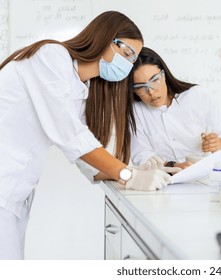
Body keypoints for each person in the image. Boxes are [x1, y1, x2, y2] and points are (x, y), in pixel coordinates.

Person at [0, 11, 173, 260]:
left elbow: (85, 161)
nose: (127, 65)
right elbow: (71, 135)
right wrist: (128, 175)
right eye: (126, 54)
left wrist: (137, 170)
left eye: (132, 60)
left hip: (15, 195)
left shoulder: (81, 90)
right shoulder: (51, 57)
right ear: (104, 39)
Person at [129, 47, 221, 170]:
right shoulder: (135, 111)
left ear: (164, 75)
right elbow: (142, 156)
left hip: (204, 174)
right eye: (140, 87)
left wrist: (218, 143)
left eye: (154, 80)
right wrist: (173, 166)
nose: (151, 91)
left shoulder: (198, 95)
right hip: (165, 178)